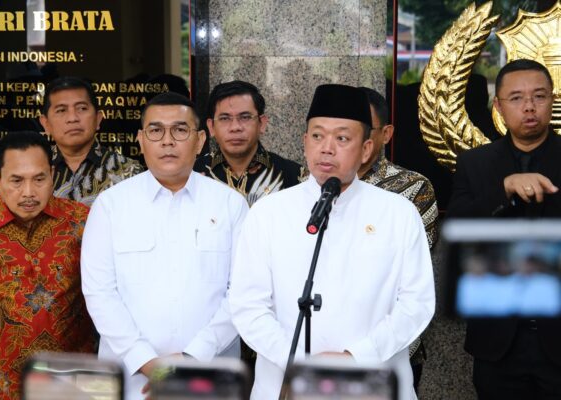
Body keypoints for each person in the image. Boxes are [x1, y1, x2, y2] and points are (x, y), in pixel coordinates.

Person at [229, 84, 435, 400]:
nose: (326, 148)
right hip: (288, 382)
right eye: (317, 136)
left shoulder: (398, 213)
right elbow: (248, 305)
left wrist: (356, 358)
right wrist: (301, 362)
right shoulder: (269, 212)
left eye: (342, 138)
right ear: (304, 142)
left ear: (366, 148)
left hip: (373, 383)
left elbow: (416, 304)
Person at [81, 92, 248, 400]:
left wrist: (192, 358)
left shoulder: (230, 205)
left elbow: (242, 292)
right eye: (156, 131)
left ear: (200, 141)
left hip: (210, 375)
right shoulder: (111, 205)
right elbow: (99, 293)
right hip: (132, 380)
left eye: (180, 130)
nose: (167, 141)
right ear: (141, 140)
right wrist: (147, 362)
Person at [447, 59, 561, 399]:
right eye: (516, 98)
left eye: (539, 96)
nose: (529, 106)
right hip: (498, 342)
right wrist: (504, 189)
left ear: (552, 100)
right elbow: (457, 227)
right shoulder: (475, 163)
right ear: (498, 106)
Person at [0, 131, 97, 400]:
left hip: (70, 377)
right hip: (0, 379)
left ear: (52, 175)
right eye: (16, 180)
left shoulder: (83, 223)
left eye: (39, 179)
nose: (28, 192)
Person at [357, 87, 438, 389]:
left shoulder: (413, 188)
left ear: (386, 133)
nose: (353, 138)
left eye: (365, 129)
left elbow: (409, 274)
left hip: (393, 346)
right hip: (322, 346)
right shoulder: (308, 184)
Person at [194, 80, 303, 206]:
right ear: (211, 127)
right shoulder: (193, 174)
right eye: (224, 118)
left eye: (245, 117)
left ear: (262, 123)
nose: (235, 127)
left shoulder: (294, 176)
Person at [39, 76, 144, 206]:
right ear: (46, 124)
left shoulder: (129, 171)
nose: (72, 118)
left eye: (82, 108)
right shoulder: (31, 170)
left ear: (98, 119)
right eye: (61, 110)